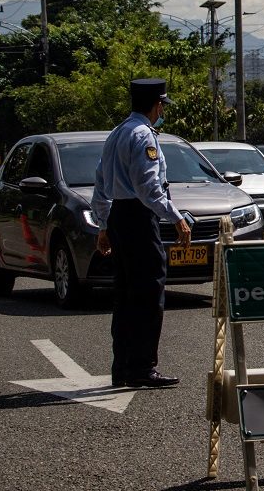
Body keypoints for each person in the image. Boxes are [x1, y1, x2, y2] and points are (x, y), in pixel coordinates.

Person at [91, 78, 191, 388]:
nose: (162, 111)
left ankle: (122, 367)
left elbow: (101, 183)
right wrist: (175, 217)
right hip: (138, 218)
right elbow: (148, 189)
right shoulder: (143, 136)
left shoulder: (117, 133)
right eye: (162, 105)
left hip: (120, 217)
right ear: (156, 105)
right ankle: (143, 367)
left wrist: (104, 225)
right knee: (149, 294)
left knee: (124, 296)